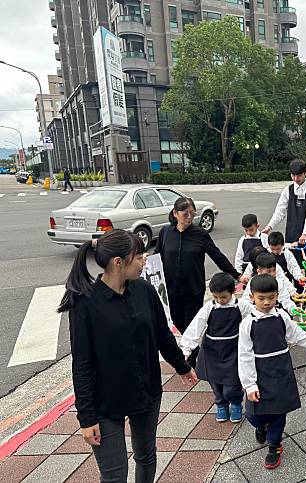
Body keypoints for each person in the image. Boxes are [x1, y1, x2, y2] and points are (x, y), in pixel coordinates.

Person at [60, 229, 197, 482]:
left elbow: (162, 334)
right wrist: (86, 417)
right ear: (118, 262)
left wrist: (182, 366)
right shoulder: (85, 304)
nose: (144, 262)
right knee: (114, 475)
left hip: (146, 391)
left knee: (146, 455)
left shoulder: (144, 290)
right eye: (139, 257)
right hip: (105, 401)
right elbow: (81, 364)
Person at [156, 197, 243, 367]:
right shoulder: (165, 233)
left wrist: (237, 275)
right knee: (177, 321)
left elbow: (217, 256)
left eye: (192, 214)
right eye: (185, 214)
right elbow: (157, 255)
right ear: (175, 214)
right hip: (171, 289)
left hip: (193, 289)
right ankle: (195, 352)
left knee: (192, 325)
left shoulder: (200, 235)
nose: (189, 217)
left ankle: (194, 360)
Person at [238, 274, 306, 470]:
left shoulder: (281, 316)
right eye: (261, 298)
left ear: (277, 295)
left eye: (271, 297)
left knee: (279, 412)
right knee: (253, 414)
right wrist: (250, 385)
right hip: (259, 372)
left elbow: (296, 334)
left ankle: (274, 445)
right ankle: (261, 426)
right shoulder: (248, 323)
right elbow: (244, 355)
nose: (267, 302)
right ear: (252, 297)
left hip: (282, 370)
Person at [180, 273, 244, 424]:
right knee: (215, 382)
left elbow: (252, 323)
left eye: (223, 297)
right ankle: (221, 404)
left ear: (233, 291)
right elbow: (196, 326)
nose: (220, 301)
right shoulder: (210, 307)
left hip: (232, 350)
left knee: (232, 382)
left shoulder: (241, 306)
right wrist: (186, 349)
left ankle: (235, 403)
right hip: (211, 350)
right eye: (216, 297)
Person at [263, 159, 306, 264]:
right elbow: (280, 211)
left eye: (298, 175)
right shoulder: (288, 190)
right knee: (292, 263)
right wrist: (269, 226)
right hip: (291, 233)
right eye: (293, 175)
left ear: (305, 173)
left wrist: (305, 233)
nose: (295, 178)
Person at [239, 251, 297, 316]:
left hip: (275, 314)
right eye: (268, 271)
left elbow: (285, 299)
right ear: (259, 271)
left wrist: (293, 309)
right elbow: (246, 301)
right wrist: (255, 311)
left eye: (274, 270)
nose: (272, 274)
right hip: (257, 316)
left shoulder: (278, 282)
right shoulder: (253, 282)